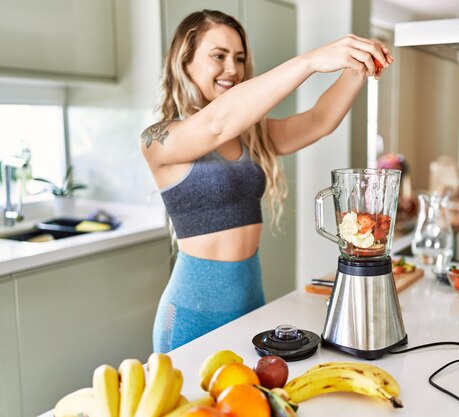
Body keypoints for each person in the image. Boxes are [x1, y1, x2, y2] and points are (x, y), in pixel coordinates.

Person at [141, 9, 392, 353]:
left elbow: (319, 121)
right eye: (219, 56)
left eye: (239, 58)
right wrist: (310, 61)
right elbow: (216, 124)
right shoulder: (160, 138)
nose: (232, 68)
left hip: (251, 306)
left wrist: (358, 68)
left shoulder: (252, 135)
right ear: (184, 63)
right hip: (190, 317)